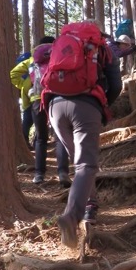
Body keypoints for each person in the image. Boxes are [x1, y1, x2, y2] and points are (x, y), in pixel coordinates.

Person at [45, 22, 122, 248]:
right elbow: (116, 86)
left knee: (79, 164)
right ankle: (71, 216)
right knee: (85, 166)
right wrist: (102, 105)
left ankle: (90, 205)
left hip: (55, 109)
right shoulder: (102, 48)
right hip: (86, 106)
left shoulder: (61, 45)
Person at [10, 37, 70, 186]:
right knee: (60, 137)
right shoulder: (60, 54)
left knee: (41, 139)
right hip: (58, 97)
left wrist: (25, 85)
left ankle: (39, 175)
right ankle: (63, 173)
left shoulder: (31, 59)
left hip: (37, 99)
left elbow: (14, 74)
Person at [10, 50, 34, 147]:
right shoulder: (35, 60)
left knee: (27, 119)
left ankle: (25, 142)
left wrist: (21, 85)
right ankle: (38, 141)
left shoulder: (27, 62)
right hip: (42, 93)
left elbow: (14, 74)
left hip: (27, 93)